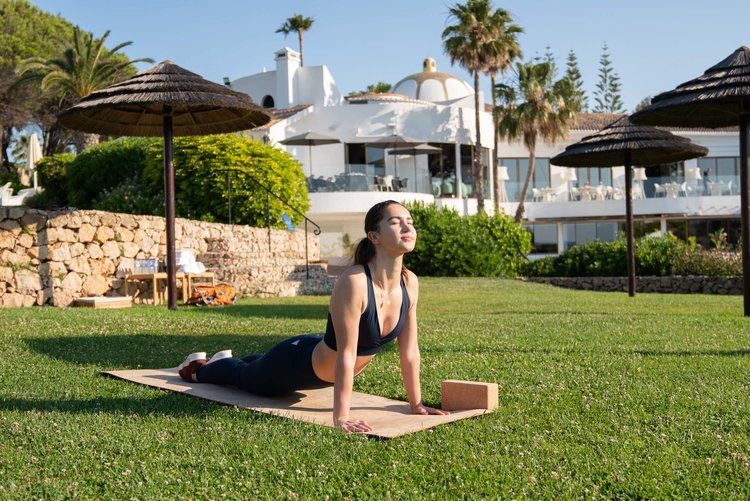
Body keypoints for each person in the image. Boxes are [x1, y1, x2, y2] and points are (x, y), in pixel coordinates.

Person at [176, 200, 449, 433]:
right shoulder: (354, 281)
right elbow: (347, 355)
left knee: (254, 365)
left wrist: (416, 404)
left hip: (316, 354)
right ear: (374, 236)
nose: (407, 227)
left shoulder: (409, 282)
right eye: (395, 222)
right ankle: (197, 368)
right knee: (244, 377)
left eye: (409, 221)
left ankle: (226, 359)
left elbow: (410, 351)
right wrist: (341, 417)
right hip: (296, 364)